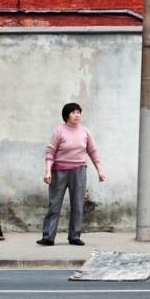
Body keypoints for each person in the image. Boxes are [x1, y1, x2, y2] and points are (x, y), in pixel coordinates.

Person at [37, 103, 105, 246]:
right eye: (73, 112)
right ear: (66, 115)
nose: (77, 115)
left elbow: (92, 151)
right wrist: (48, 171)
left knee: (78, 204)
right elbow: (50, 152)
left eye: (78, 112)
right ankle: (48, 237)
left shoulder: (85, 132)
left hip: (79, 171)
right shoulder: (59, 131)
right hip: (59, 171)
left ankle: (74, 236)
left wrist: (99, 169)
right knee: (54, 204)